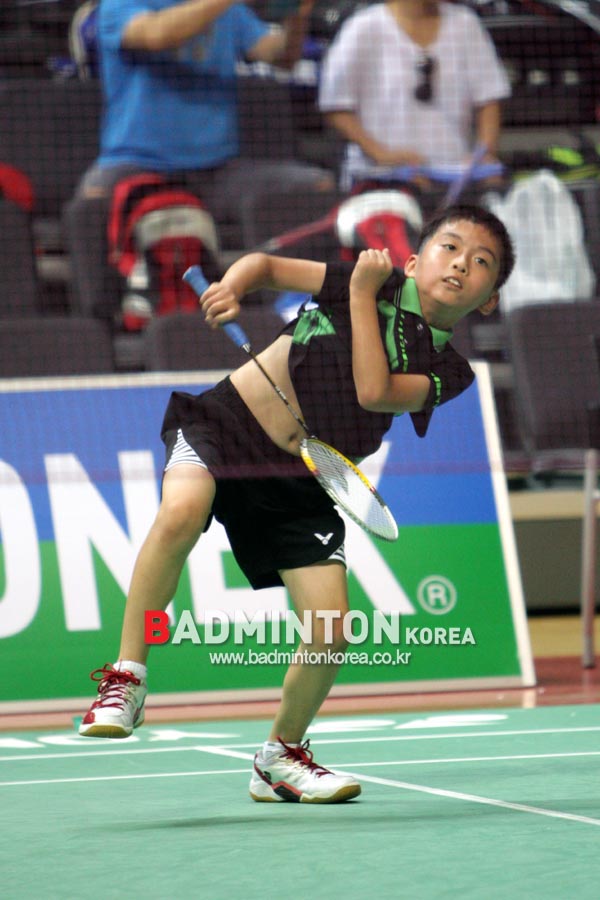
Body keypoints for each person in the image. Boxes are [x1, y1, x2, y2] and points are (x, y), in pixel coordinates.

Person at [78, 203, 515, 804]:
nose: (462, 264)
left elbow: (374, 391)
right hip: (226, 426)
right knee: (181, 511)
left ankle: (280, 756)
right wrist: (231, 287)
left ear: (491, 300)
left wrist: (360, 296)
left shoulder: (450, 370)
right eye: (451, 247)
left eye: (482, 262)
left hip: (302, 479)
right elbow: (265, 267)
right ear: (415, 262)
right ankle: (127, 677)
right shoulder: (367, 277)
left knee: (331, 628)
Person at [64, 0, 333, 322]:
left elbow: (281, 56)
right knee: (89, 207)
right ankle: (99, 325)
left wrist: (296, 16)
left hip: (217, 170)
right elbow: (157, 35)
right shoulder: (120, 5)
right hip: (135, 165)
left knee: (318, 186)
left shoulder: (228, 11)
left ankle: (293, 315)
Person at [318, 0, 511, 194]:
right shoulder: (362, 28)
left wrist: (485, 153)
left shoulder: (465, 24)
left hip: (455, 177)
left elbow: (489, 98)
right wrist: (381, 154)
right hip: (379, 178)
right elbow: (336, 105)